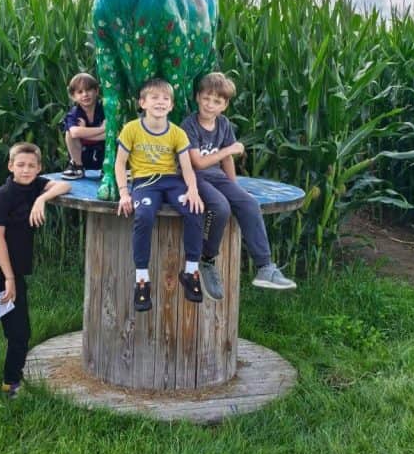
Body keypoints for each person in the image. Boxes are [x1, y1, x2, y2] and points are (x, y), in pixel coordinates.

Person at [0, 143, 70, 411]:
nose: (26, 170)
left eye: (31, 165)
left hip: (13, 274)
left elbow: (64, 185)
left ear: (39, 168)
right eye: (20, 165)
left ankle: (11, 383)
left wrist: (42, 199)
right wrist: (9, 279)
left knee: (20, 332)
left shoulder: (35, 187)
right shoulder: (4, 196)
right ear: (10, 166)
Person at [181, 72, 296, 299]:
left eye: (216, 101)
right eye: (206, 98)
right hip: (195, 177)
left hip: (217, 176)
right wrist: (229, 150)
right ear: (197, 97)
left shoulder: (224, 124)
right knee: (220, 207)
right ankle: (207, 259)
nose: (210, 105)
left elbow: (227, 160)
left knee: (249, 203)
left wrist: (235, 188)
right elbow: (198, 163)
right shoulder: (189, 125)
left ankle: (265, 267)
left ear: (224, 105)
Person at [115, 77, 220, 312]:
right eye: (154, 97)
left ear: (171, 106)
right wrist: (124, 193)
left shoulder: (177, 133)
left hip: (172, 181)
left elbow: (187, 166)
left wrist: (193, 190)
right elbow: (120, 164)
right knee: (144, 215)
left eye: (165, 99)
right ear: (142, 103)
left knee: (195, 209)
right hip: (145, 182)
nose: (160, 102)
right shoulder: (131, 129)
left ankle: (191, 271)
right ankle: (142, 279)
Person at [60, 71, 105, 179]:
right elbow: (75, 133)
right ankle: (78, 167)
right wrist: (102, 129)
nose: (85, 94)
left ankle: (109, 169)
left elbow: (113, 133)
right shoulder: (74, 113)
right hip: (83, 153)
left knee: (118, 136)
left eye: (88, 90)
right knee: (69, 133)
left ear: (96, 91)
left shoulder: (104, 109)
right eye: (80, 92)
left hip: (104, 153)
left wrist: (84, 133)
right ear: (73, 96)